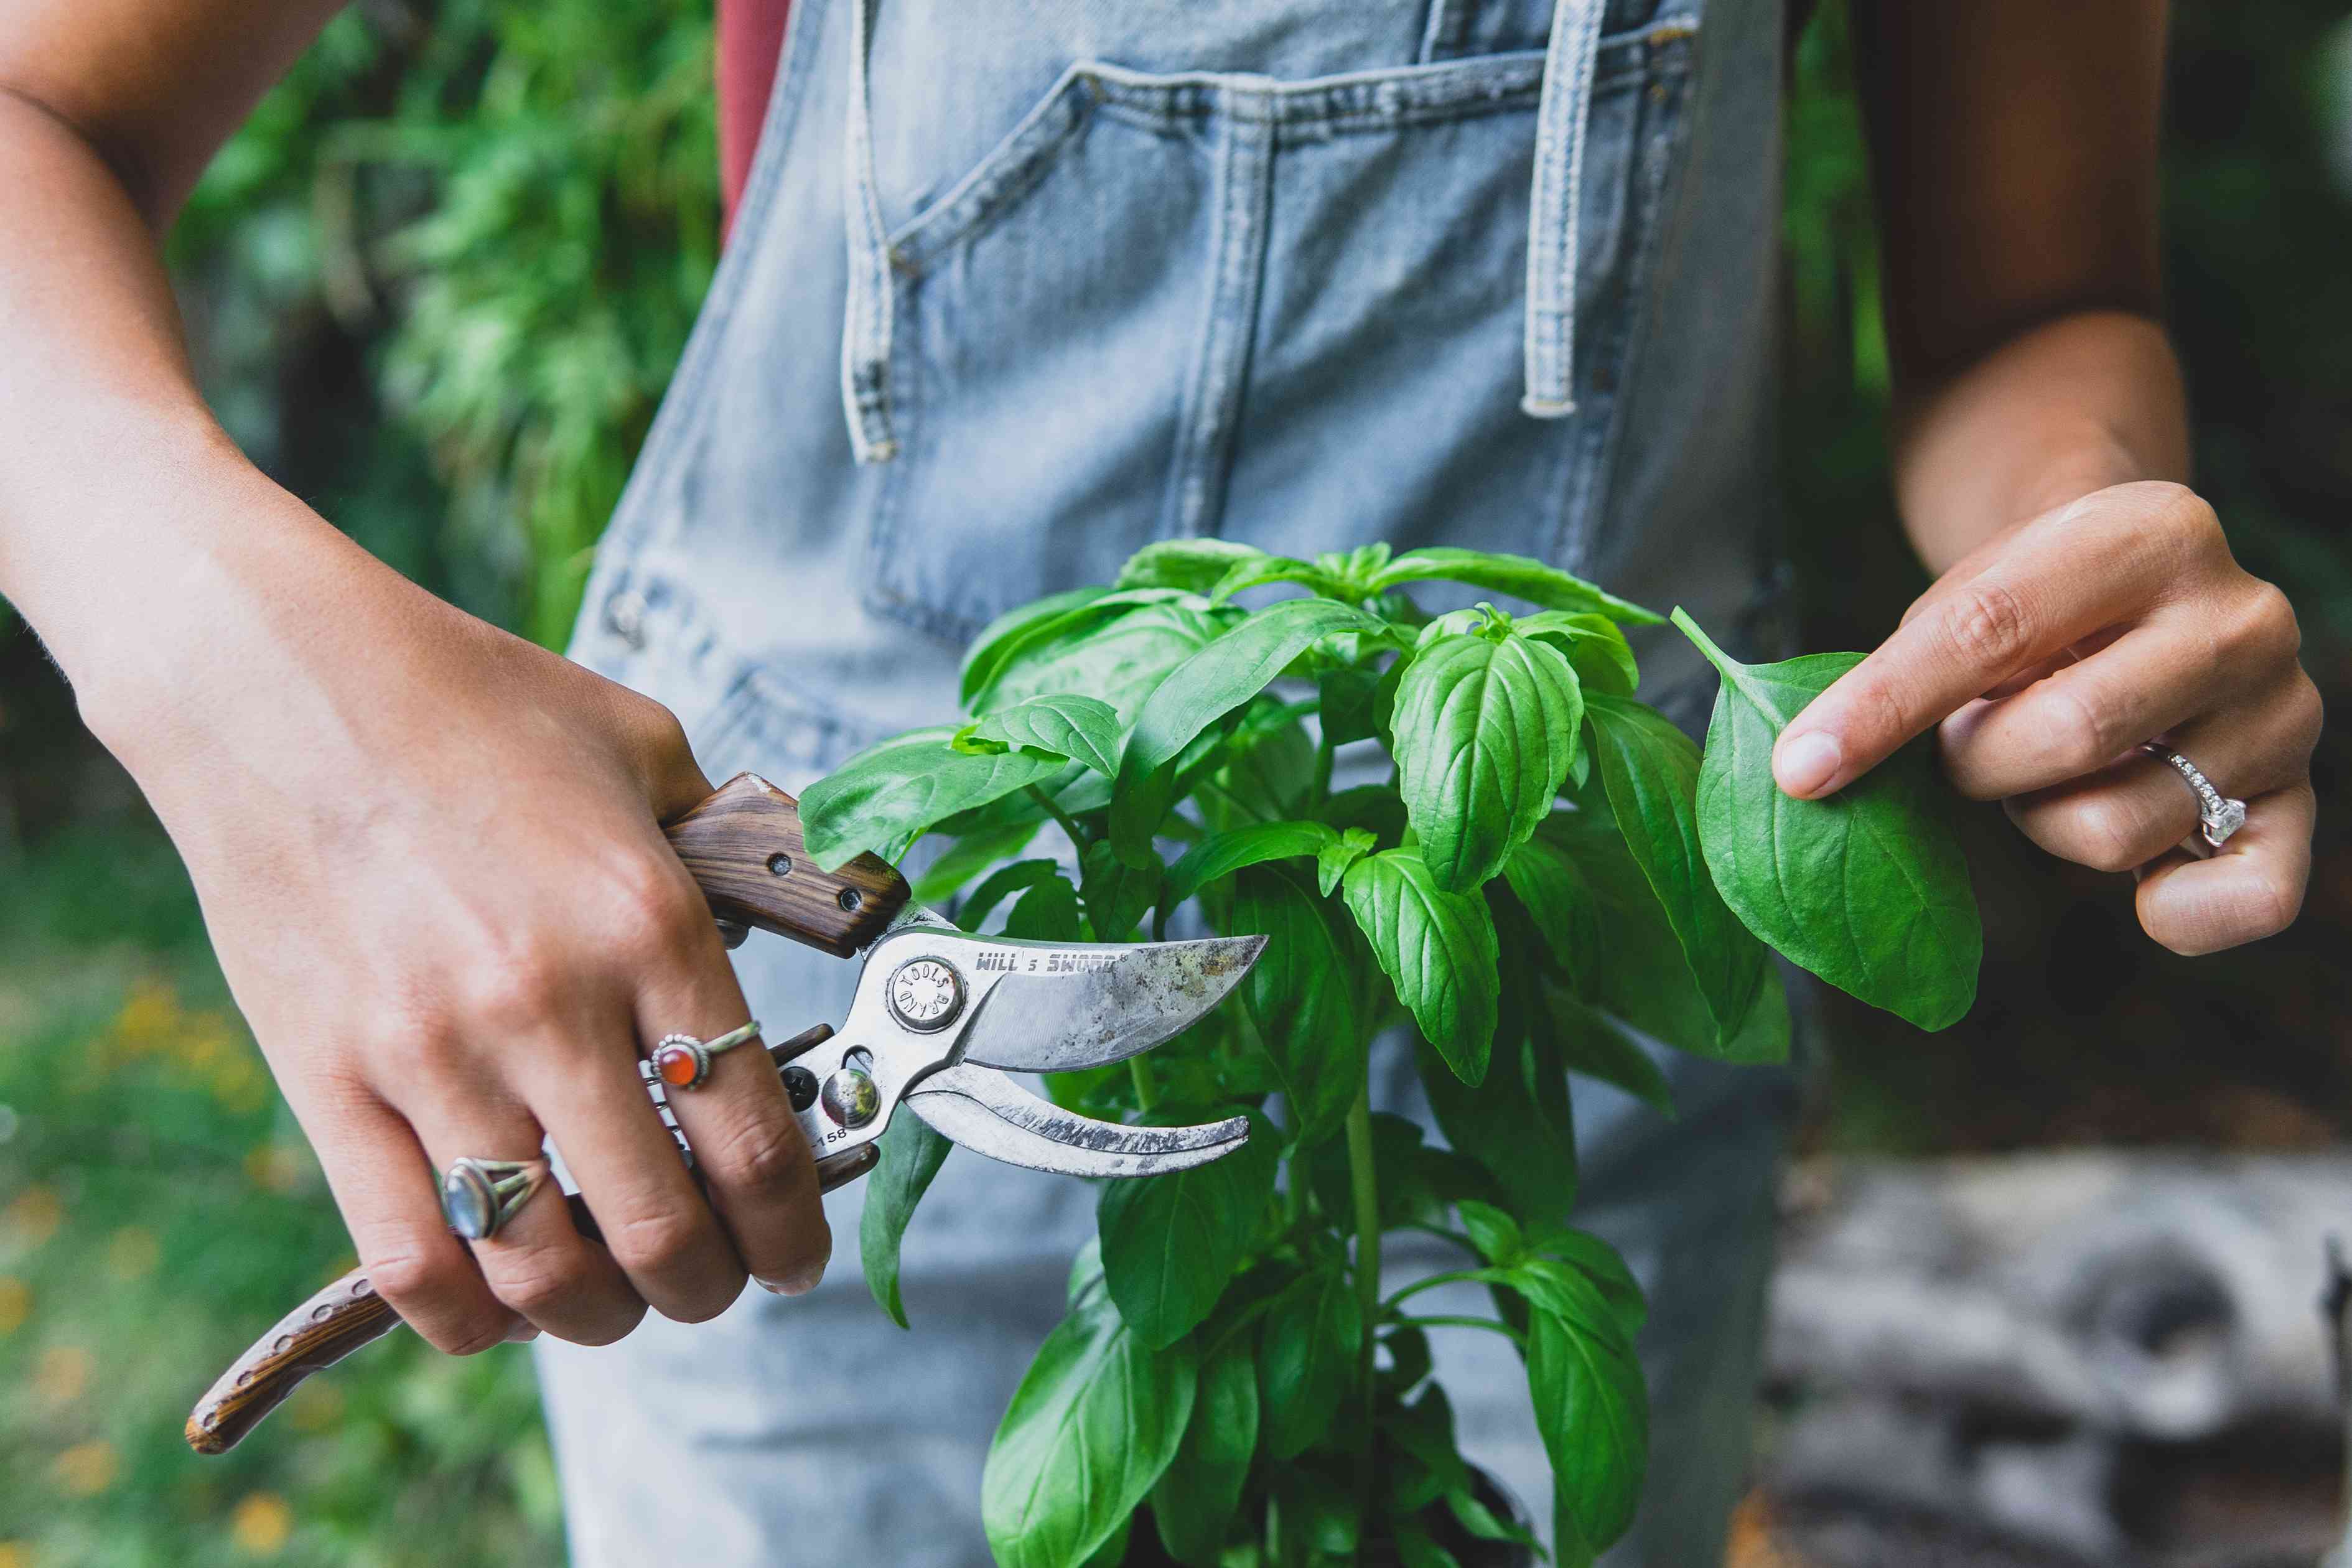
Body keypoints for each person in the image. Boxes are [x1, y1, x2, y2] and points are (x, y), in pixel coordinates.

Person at [0, 0, 2321, 1562]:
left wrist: (2077, 573)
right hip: (763, 1053)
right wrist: (236, 677)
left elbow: (2033, 308)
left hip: (1546, 1090)